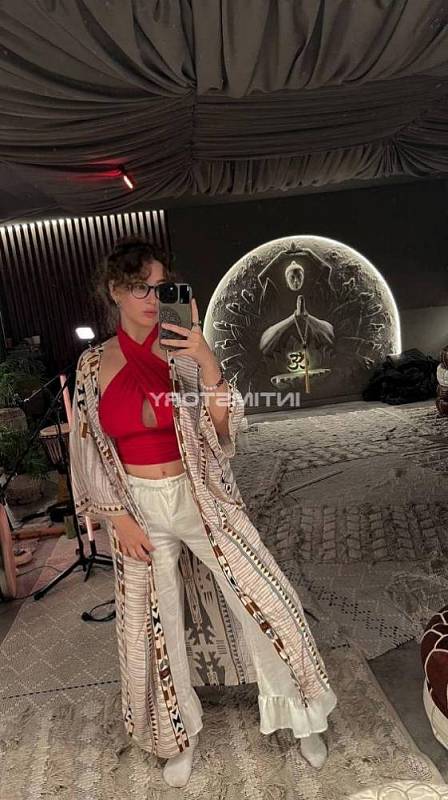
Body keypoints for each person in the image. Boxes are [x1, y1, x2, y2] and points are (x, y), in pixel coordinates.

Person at [69, 236, 337, 788]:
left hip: (201, 497)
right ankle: (176, 738)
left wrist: (207, 362)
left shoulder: (184, 351)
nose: (153, 298)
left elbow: (222, 427)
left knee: (267, 600)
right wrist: (117, 518)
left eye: (161, 287)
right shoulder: (92, 365)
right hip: (137, 508)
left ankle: (303, 715)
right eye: (140, 288)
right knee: (151, 625)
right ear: (115, 291)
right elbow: (89, 446)